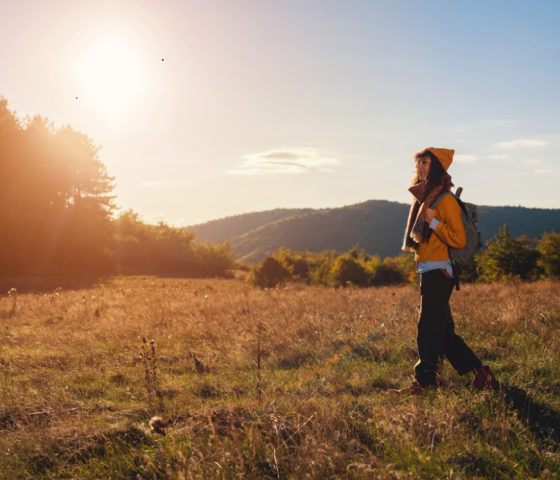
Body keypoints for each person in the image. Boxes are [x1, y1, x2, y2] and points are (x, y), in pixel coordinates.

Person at [388, 147, 498, 396]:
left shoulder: (445, 200)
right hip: (429, 270)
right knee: (443, 330)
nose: (420, 167)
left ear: (436, 166)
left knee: (427, 327)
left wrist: (433, 221)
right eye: (418, 163)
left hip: (440, 271)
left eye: (425, 162)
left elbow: (459, 240)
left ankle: (424, 384)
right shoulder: (426, 198)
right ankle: (482, 374)